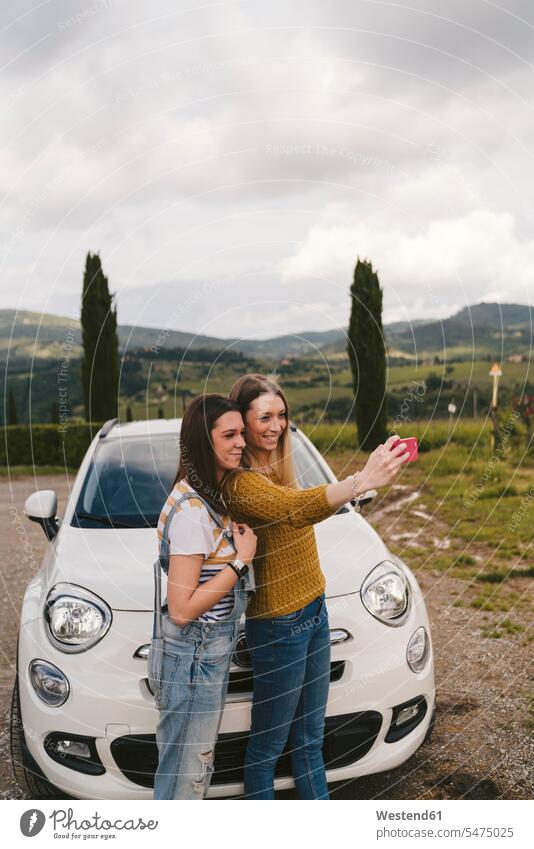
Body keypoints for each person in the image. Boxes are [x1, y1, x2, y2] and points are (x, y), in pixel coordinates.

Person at [221, 374, 409, 800]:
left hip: (313, 609)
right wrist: (362, 479)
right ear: (242, 421)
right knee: (268, 747)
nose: (276, 425)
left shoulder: (276, 470)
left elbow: (303, 505)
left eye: (282, 415)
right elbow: (296, 510)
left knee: (309, 740)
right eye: (264, 416)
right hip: (278, 625)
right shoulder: (240, 483)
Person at [152, 393, 257, 800]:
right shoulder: (194, 511)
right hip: (194, 660)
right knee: (186, 780)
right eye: (229, 434)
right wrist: (240, 562)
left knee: (190, 771)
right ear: (202, 441)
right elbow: (181, 610)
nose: (241, 443)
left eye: (241, 433)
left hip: (202, 657)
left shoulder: (206, 498)